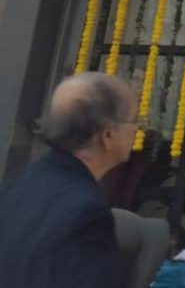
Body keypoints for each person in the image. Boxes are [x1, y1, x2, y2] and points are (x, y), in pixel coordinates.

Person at [0, 72, 139, 288]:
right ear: (109, 134)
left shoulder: (15, 185)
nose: (138, 129)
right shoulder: (87, 212)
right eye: (135, 120)